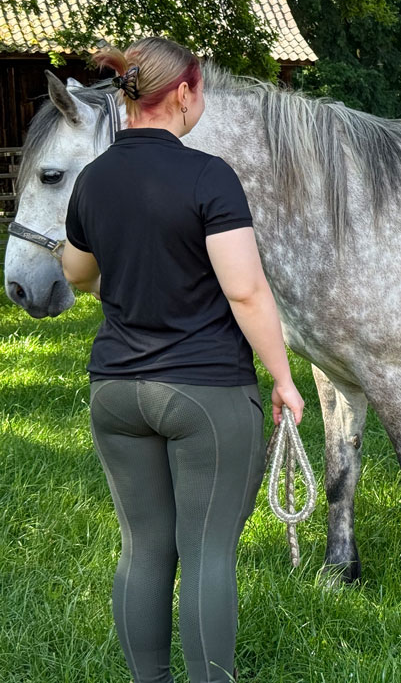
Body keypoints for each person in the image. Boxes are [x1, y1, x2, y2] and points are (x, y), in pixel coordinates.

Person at [61, 36, 305, 682]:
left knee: (143, 548)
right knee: (206, 554)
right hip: (205, 394)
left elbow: (77, 271)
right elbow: (245, 290)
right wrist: (283, 379)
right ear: (185, 92)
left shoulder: (93, 178)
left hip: (116, 391)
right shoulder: (208, 176)